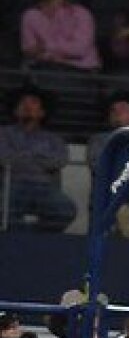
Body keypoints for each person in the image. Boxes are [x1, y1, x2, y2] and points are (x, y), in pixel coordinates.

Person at [0, 87, 78, 233]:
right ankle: (22, 236)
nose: (27, 106)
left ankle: (33, 235)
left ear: (42, 112)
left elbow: (60, 161)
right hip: (12, 185)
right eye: (23, 103)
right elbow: (4, 157)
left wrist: (23, 156)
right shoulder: (3, 133)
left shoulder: (54, 139)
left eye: (33, 103)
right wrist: (39, 158)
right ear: (15, 110)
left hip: (44, 188)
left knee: (66, 210)